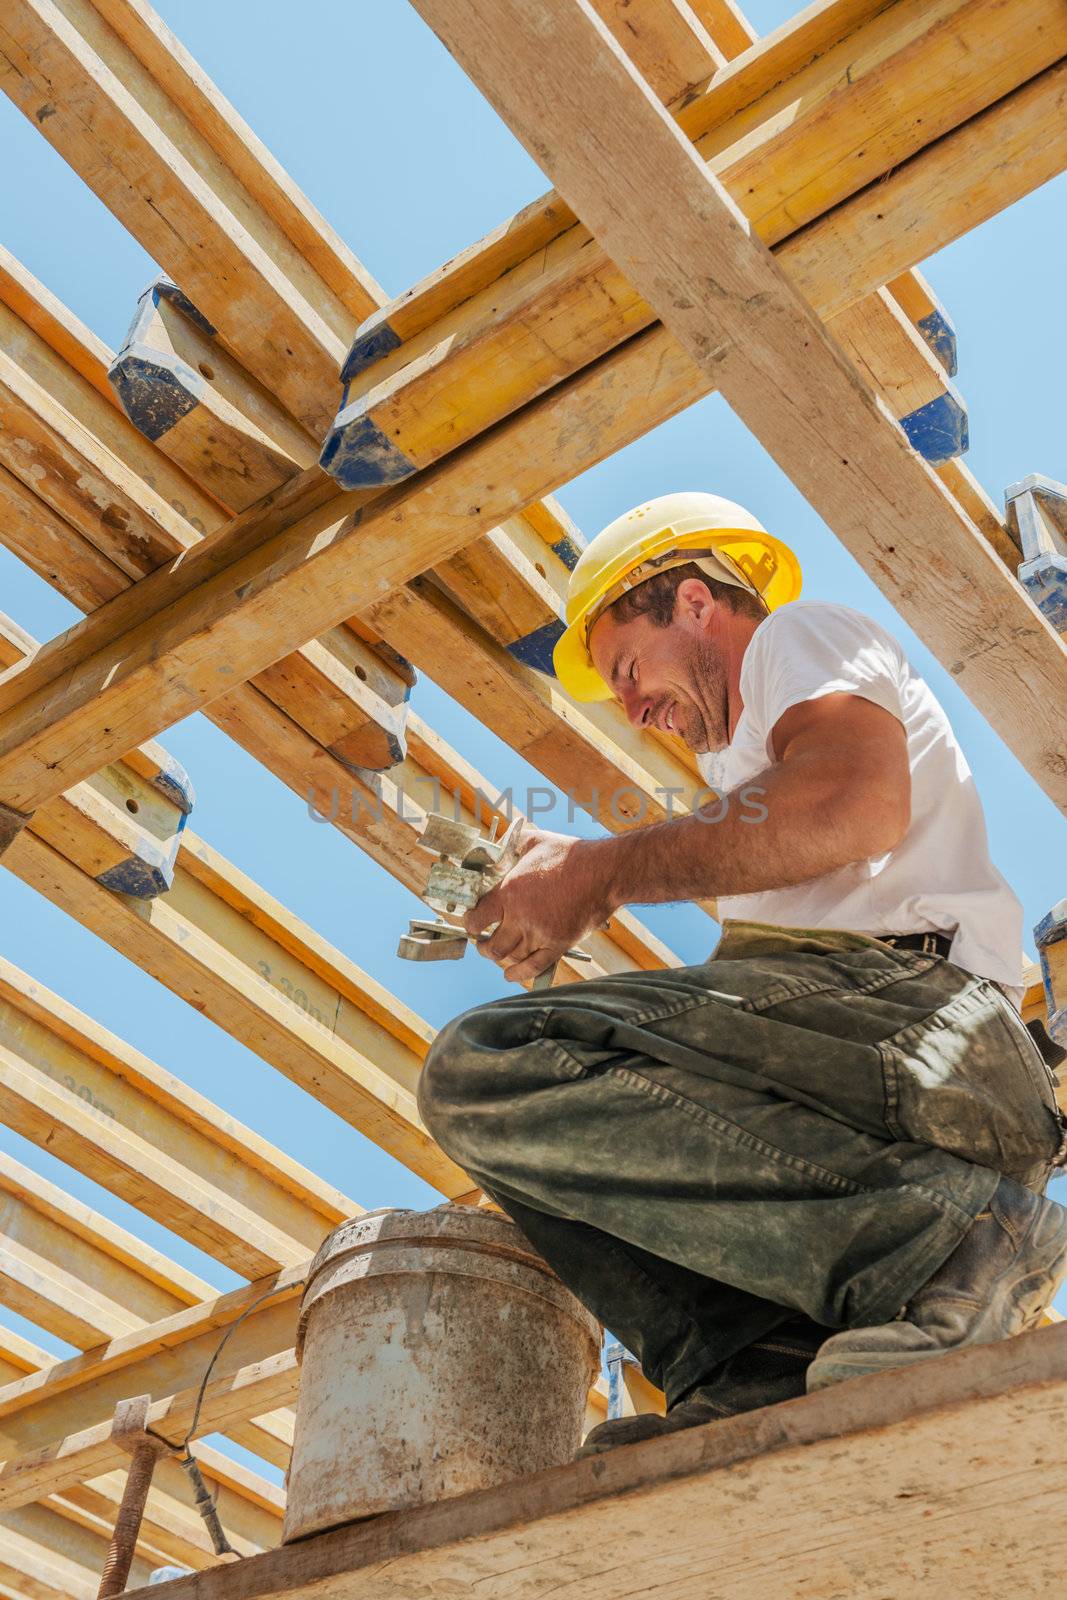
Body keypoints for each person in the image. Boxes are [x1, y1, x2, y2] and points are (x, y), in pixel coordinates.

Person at [417, 492, 1067, 1453]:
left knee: (487, 1065)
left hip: (923, 1031)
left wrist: (596, 875)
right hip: (881, 1059)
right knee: (566, 1140)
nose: (634, 708)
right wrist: (561, 881)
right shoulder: (747, 778)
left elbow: (851, 804)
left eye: (628, 670)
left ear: (691, 601)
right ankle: (755, 1367)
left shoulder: (795, 640)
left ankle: (957, 1244)